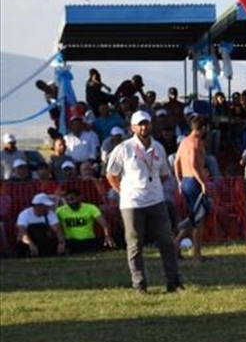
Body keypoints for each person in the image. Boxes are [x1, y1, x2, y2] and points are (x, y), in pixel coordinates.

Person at [105, 109, 183, 294]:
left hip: (156, 201)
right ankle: (139, 284)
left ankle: (174, 282)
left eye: (146, 123)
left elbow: (164, 174)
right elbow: (111, 174)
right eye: (139, 124)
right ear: (132, 127)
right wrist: (123, 191)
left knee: (167, 241)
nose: (143, 127)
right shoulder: (123, 148)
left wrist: (153, 187)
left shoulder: (159, 147)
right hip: (132, 203)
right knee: (135, 244)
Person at [174, 115, 212, 261]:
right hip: (194, 181)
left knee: (193, 217)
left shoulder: (183, 142)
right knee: (198, 219)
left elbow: (176, 162)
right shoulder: (195, 143)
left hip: (185, 181)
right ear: (203, 128)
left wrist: (179, 181)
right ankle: (197, 254)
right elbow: (194, 166)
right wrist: (203, 183)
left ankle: (175, 246)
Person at [56, 188, 116, 254]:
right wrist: (61, 242)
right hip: (71, 242)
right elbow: (56, 226)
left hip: (89, 241)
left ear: (79, 198)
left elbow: (104, 224)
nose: (70, 202)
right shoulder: (60, 211)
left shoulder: (91, 208)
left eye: (72, 199)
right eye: (67, 200)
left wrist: (107, 236)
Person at [15, 193, 67, 257]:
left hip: (44, 241)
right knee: (20, 245)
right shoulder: (24, 214)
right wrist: (31, 244)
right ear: (38, 206)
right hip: (30, 241)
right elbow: (22, 233)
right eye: (46, 206)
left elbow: (58, 229)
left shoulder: (50, 213)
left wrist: (61, 243)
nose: (48, 208)